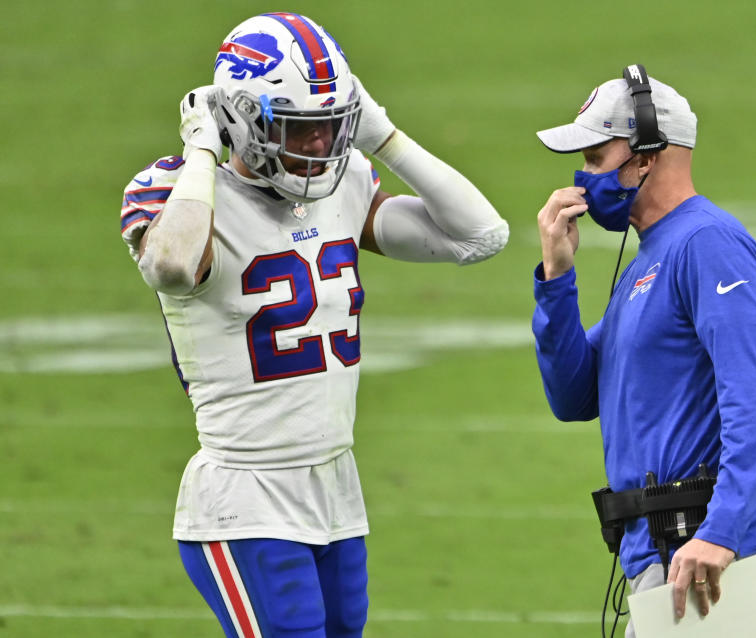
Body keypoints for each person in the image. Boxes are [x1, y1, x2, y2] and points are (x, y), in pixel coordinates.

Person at [118, 12, 508, 637]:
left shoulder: (341, 186)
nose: (322, 146)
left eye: (332, 126)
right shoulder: (186, 192)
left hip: (334, 483)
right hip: (246, 495)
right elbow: (170, 266)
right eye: (300, 130)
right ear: (242, 121)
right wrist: (200, 149)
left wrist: (384, 137)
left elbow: (481, 236)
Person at [531, 65, 756, 634]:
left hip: (703, 555)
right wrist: (556, 279)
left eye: (597, 157)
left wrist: (718, 532)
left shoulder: (708, 244)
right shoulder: (648, 260)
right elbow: (573, 395)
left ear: (646, 156)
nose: (582, 177)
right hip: (659, 554)